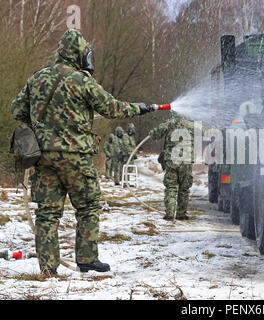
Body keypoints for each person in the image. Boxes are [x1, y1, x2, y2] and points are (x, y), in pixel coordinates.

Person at [10, 29, 155, 276]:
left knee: (47, 213)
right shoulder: (82, 81)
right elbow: (113, 108)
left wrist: (41, 124)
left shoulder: (37, 79)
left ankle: (48, 268)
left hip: (43, 157)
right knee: (87, 207)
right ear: (79, 54)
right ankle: (87, 259)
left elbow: (16, 109)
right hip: (76, 157)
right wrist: (141, 108)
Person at [148, 114, 198, 221]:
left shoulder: (169, 123)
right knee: (184, 188)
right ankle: (181, 214)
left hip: (172, 161)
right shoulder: (192, 125)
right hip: (186, 161)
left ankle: (170, 214)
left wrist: (153, 133)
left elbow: (155, 134)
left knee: (171, 187)